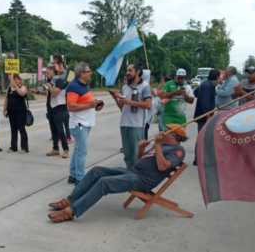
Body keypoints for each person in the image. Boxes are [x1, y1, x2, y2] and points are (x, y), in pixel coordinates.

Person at [47, 124, 187, 223]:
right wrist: (142, 148)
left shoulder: (177, 150)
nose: (163, 131)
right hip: (133, 171)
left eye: (167, 130)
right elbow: (139, 160)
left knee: (104, 182)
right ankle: (70, 199)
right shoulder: (161, 145)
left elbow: (163, 167)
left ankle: (71, 211)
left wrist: (156, 144)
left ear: (173, 134)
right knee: (97, 171)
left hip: (142, 180)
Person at [66, 62, 103, 185]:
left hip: (84, 123)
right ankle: (80, 178)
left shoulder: (82, 86)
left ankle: (73, 175)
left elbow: (83, 103)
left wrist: (94, 105)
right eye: (89, 71)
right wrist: (89, 105)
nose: (91, 73)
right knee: (82, 152)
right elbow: (70, 106)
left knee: (77, 151)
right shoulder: (74, 86)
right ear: (82, 74)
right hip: (79, 124)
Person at [111, 63, 152, 168]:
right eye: (127, 70)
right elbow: (123, 108)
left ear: (137, 72)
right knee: (127, 155)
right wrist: (116, 98)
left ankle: (138, 177)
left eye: (130, 70)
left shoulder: (145, 86)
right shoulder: (125, 87)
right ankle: (129, 176)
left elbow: (148, 105)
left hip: (137, 125)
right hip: (124, 124)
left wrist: (130, 102)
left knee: (137, 154)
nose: (127, 73)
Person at [193, 69, 220, 166]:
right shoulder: (208, 86)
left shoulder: (205, 84)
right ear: (217, 78)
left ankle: (199, 158)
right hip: (204, 116)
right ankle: (199, 159)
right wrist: (208, 116)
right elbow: (204, 102)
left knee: (202, 136)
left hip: (202, 115)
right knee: (203, 137)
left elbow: (195, 93)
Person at [3, 74, 29, 154]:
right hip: (11, 111)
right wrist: (4, 110)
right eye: (15, 79)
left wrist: (16, 87)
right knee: (13, 130)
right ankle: (13, 147)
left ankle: (24, 147)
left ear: (20, 80)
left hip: (20, 111)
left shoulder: (22, 87)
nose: (16, 80)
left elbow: (22, 93)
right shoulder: (9, 89)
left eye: (18, 79)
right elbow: (6, 100)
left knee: (21, 129)